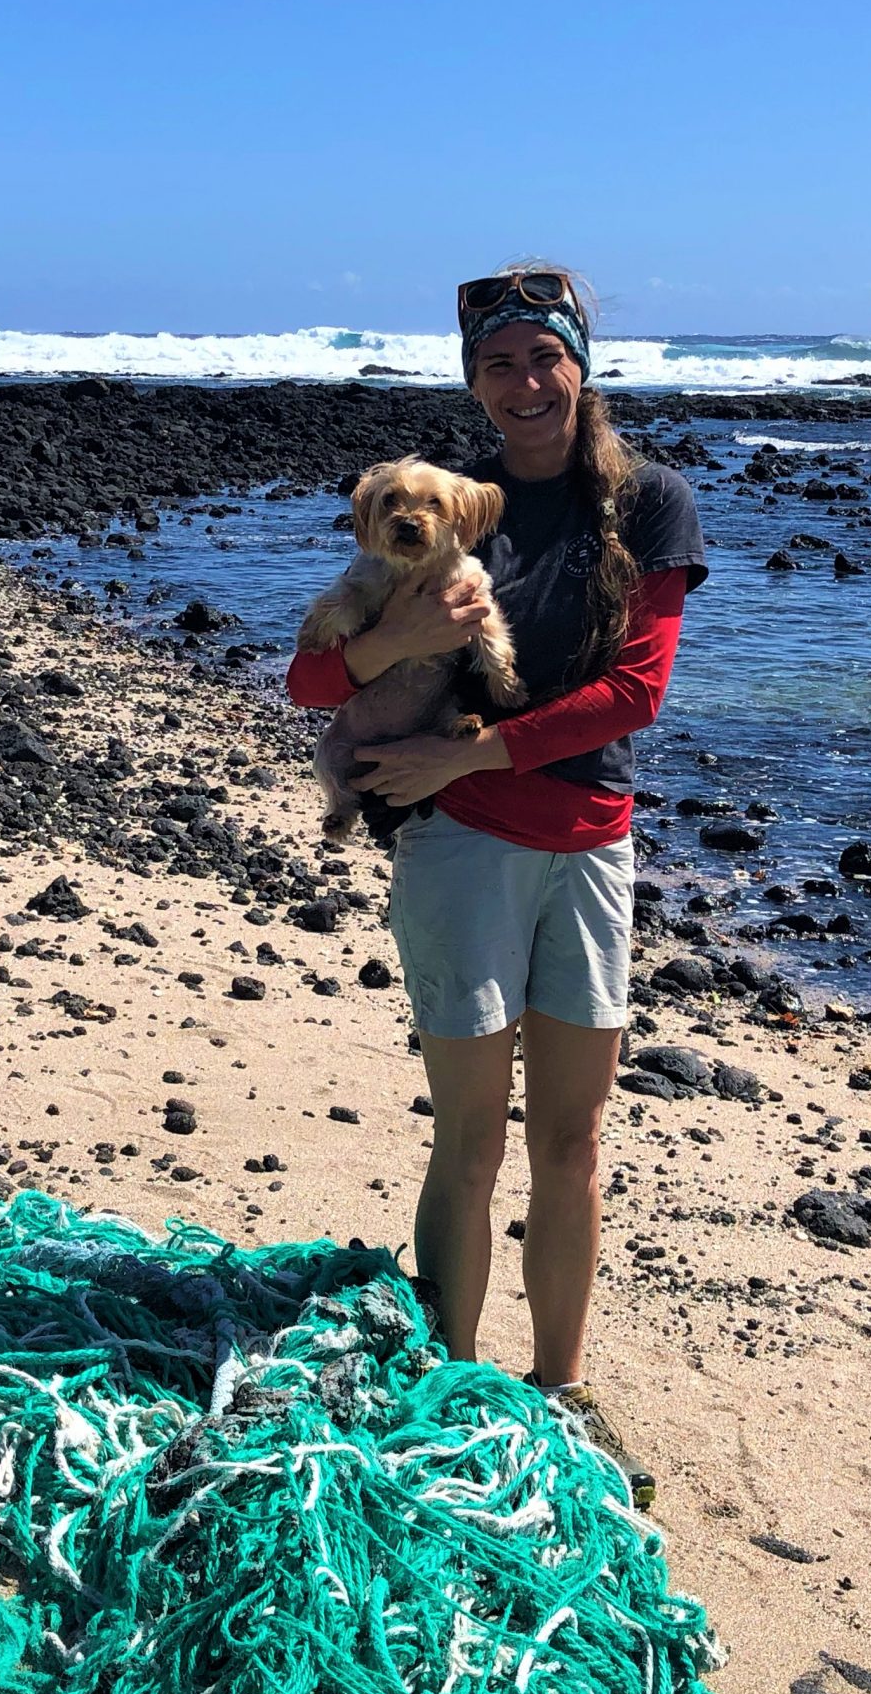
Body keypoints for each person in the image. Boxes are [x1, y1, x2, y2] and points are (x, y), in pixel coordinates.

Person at [285, 264, 706, 1506]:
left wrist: (466, 745)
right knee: (468, 1137)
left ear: (582, 366)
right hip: (456, 847)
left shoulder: (651, 506)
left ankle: (562, 1387)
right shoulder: (443, 517)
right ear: (475, 383)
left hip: (588, 841)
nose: (525, 384)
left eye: (544, 359)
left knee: (571, 1141)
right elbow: (315, 686)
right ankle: (450, 1381)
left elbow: (636, 692)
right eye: (498, 365)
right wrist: (399, 649)